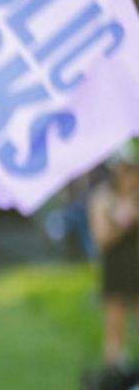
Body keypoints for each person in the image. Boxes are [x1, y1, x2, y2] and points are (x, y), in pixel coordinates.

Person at [88, 154, 139, 367]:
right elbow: (101, 239)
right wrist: (123, 222)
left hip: (136, 263)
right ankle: (114, 373)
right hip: (115, 266)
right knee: (115, 325)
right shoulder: (103, 198)